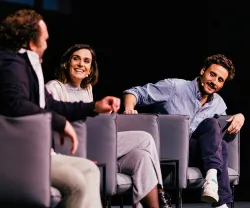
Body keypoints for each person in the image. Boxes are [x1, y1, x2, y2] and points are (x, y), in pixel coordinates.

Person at [0, 9, 123, 208]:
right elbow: (16, 104)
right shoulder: (11, 64)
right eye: (45, 40)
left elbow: (52, 105)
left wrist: (94, 106)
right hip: (19, 155)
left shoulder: (26, 65)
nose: (47, 45)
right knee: (76, 183)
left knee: (90, 170)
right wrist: (59, 122)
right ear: (32, 42)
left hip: (39, 152)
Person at [45, 43, 172, 208]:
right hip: (74, 146)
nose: (80, 64)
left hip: (96, 145)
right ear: (67, 63)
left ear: (90, 69)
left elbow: (89, 120)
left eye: (86, 61)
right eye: (76, 59)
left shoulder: (87, 89)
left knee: (142, 156)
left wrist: (105, 117)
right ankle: (161, 193)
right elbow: (55, 119)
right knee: (145, 138)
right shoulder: (54, 87)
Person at [123, 54, 245, 208]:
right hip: (165, 151)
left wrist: (240, 116)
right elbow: (134, 92)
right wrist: (129, 109)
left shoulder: (219, 104)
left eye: (220, 80)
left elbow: (214, 139)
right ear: (202, 71)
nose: (214, 82)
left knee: (215, 130)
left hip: (191, 153)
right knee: (221, 143)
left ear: (222, 85)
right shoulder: (174, 87)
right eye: (212, 74)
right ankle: (221, 203)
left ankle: (212, 182)